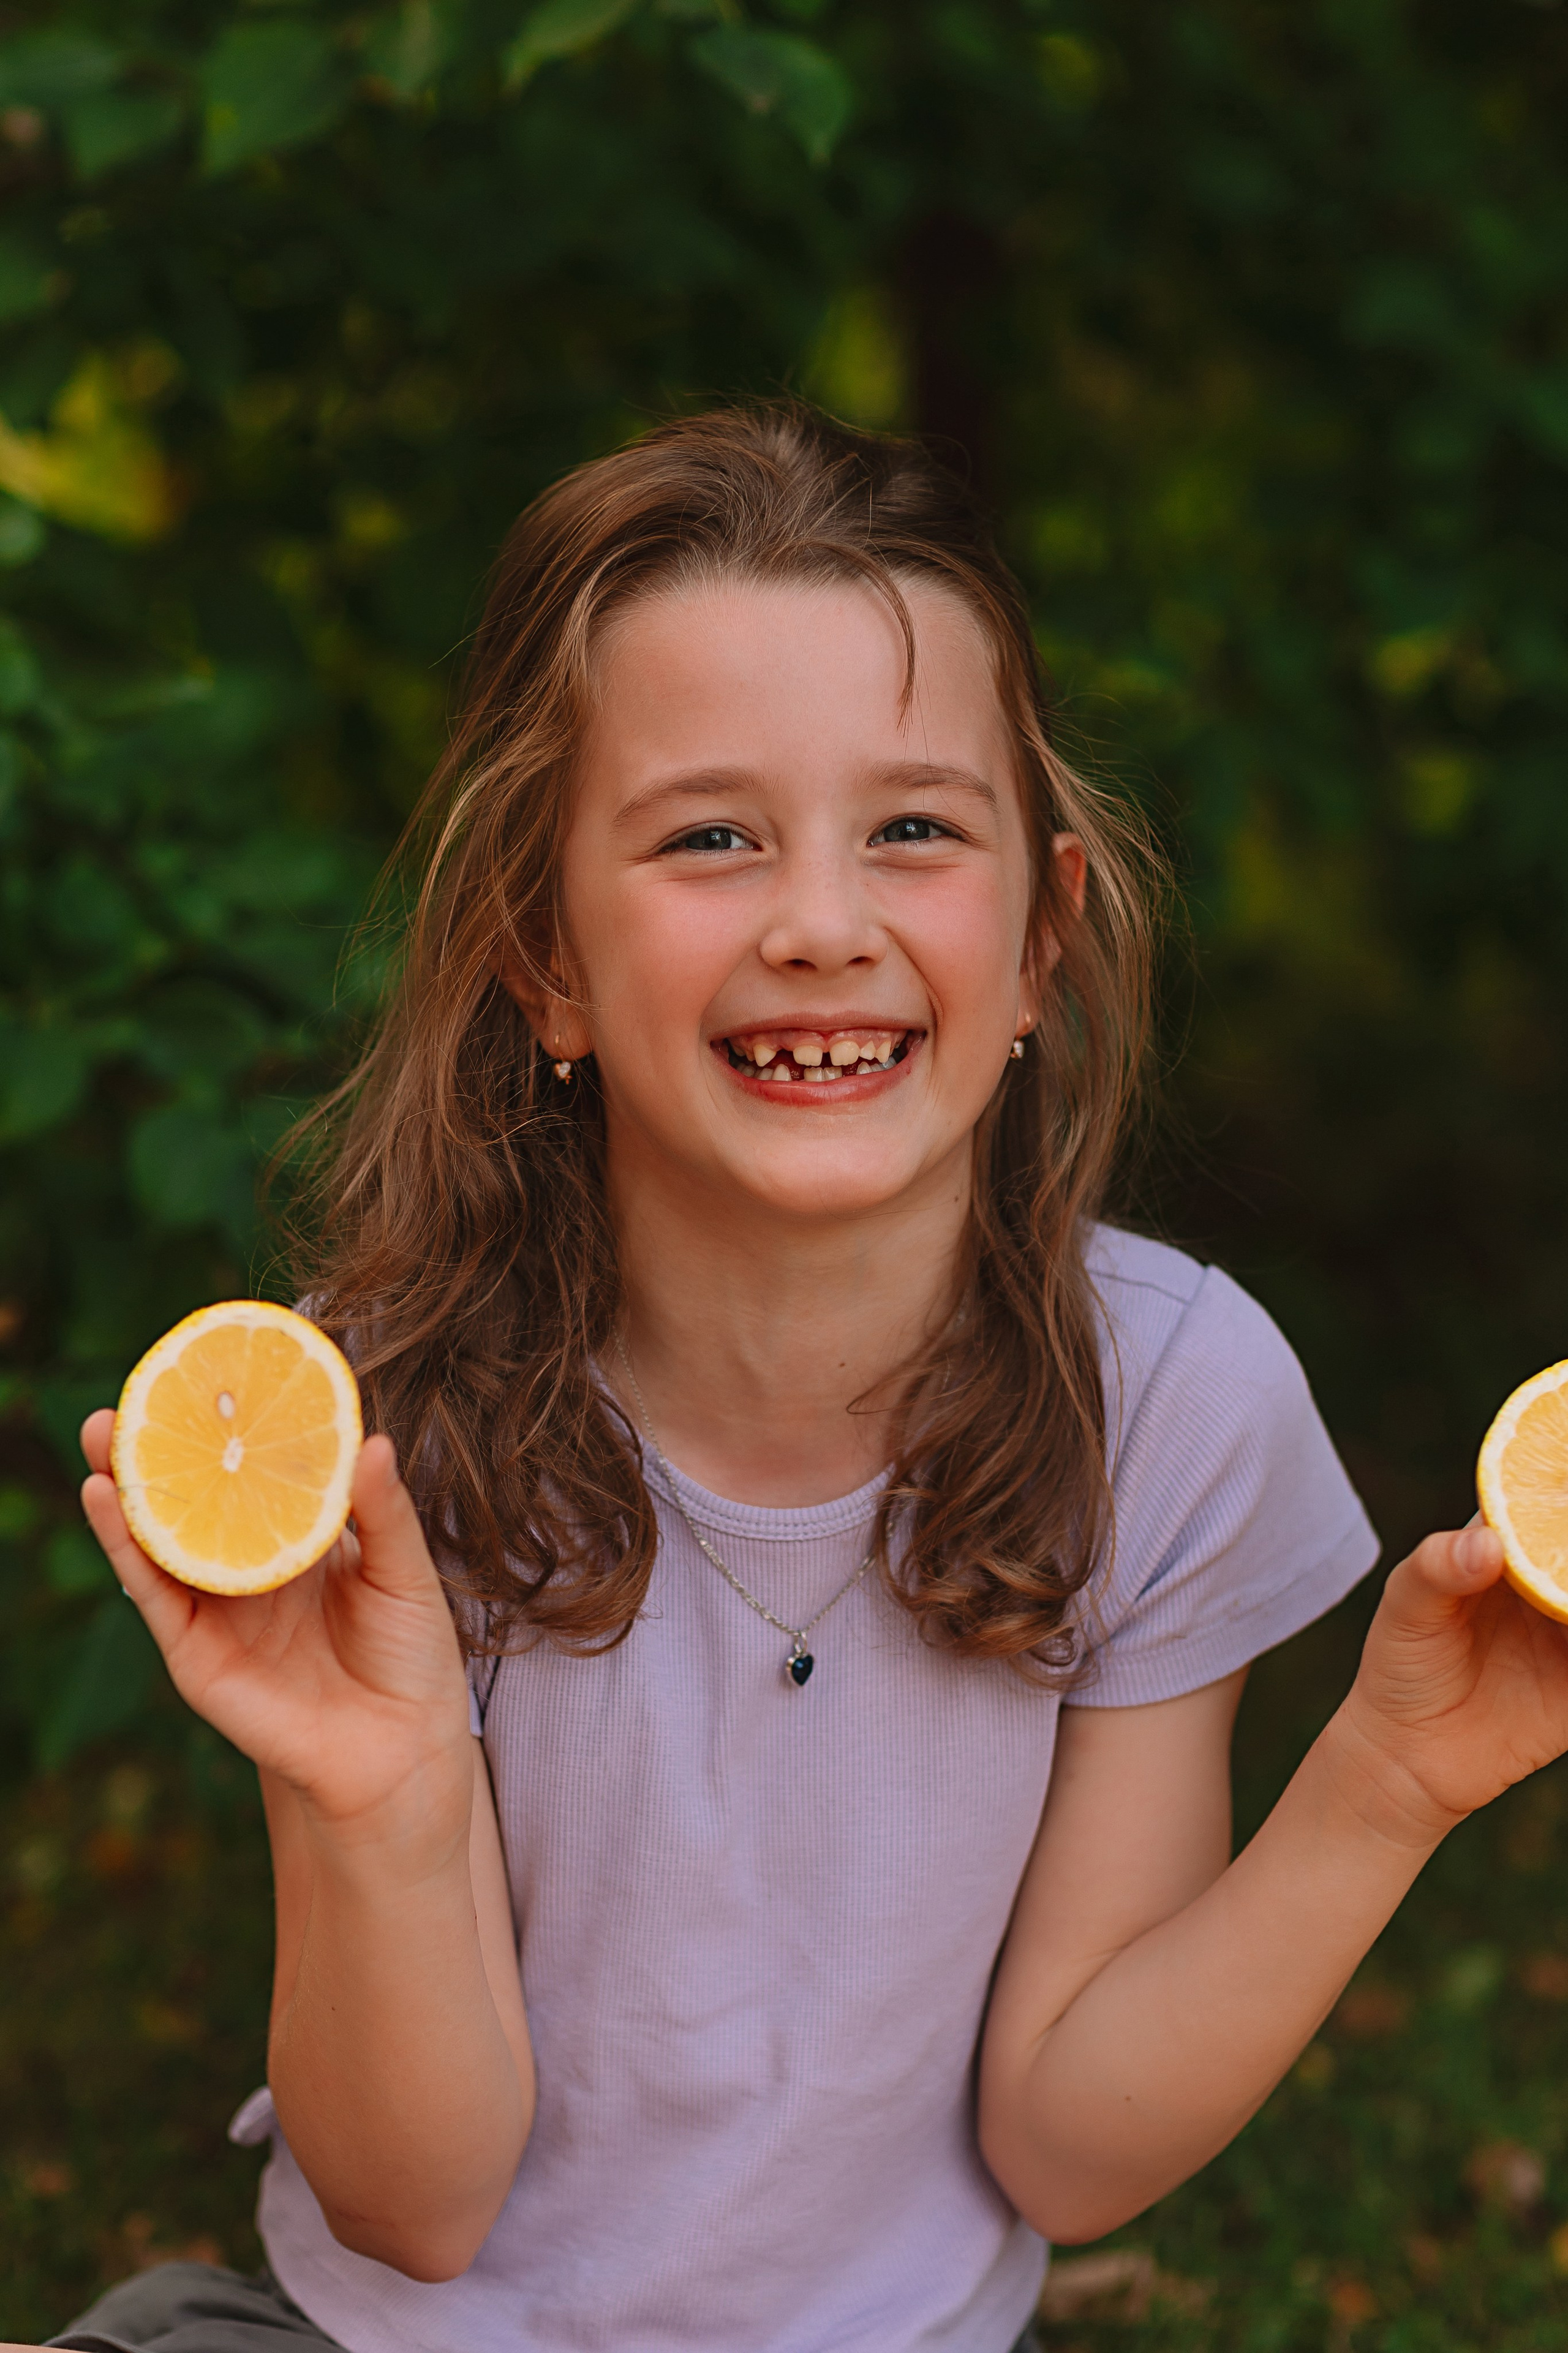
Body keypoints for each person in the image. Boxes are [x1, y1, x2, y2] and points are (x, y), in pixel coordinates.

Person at [37, 404, 1568, 2353]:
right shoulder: (377, 1426)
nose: (823, 924)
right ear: (543, 954)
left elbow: (1070, 2148)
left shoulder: (1175, 1399)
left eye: (914, 828)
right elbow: (412, 2211)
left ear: (1041, 941)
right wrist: (378, 1801)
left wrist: (1388, 1782)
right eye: (709, 837)